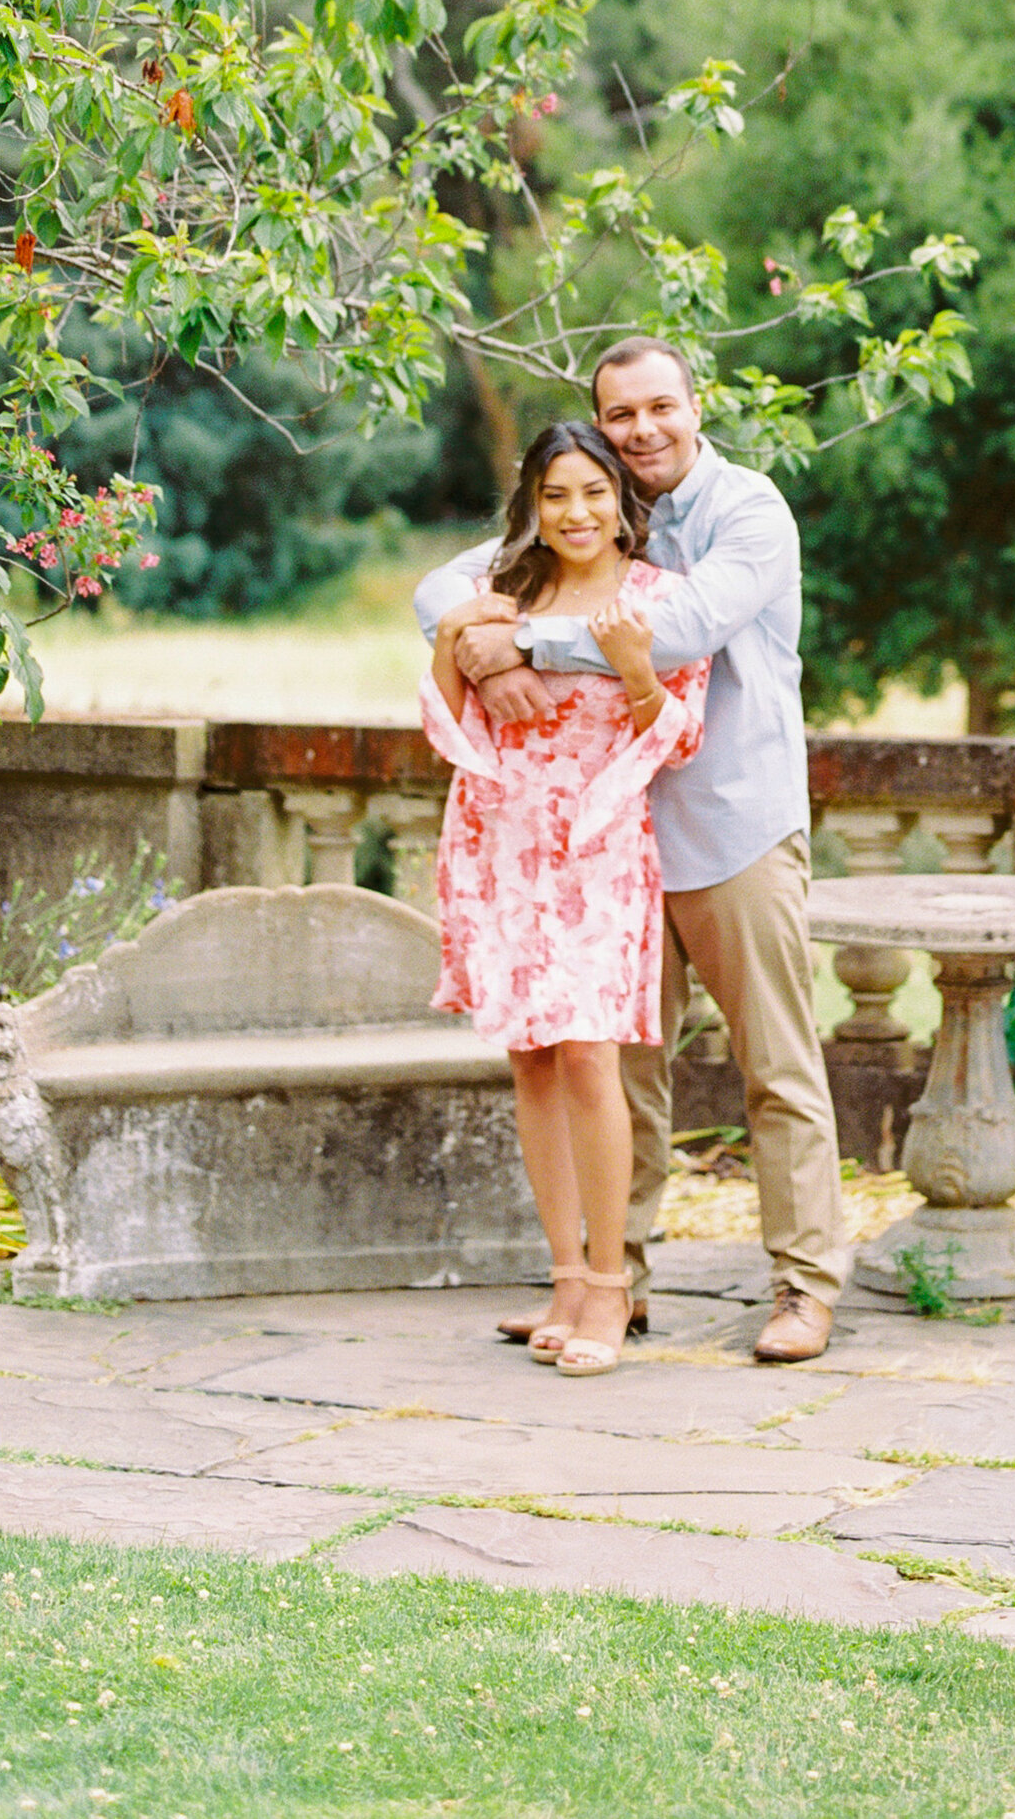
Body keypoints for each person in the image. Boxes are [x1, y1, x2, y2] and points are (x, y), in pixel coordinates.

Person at [415, 340, 851, 1363]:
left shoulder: (748, 510)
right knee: (617, 1069)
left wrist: (521, 642)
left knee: (774, 1064)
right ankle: (614, 1283)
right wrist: (476, 627)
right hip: (600, 850)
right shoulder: (588, 506)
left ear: (697, 409)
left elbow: (684, 626)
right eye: (621, 414)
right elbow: (442, 586)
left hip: (729, 822)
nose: (643, 428)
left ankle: (803, 1286)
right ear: (599, 425)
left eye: (661, 407)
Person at [421, 418, 708, 1377]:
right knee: (533, 1060)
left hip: (598, 841)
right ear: (532, 508)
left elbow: (679, 738)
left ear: (620, 502)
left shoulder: (662, 599)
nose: (576, 512)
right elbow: (447, 714)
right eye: (555, 495)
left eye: (593, 492)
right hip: (499, 838)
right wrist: (462, 647)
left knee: (590, 1055)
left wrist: (633, 666)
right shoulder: (505, 591)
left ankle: (612, 1288)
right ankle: (563, 1277)